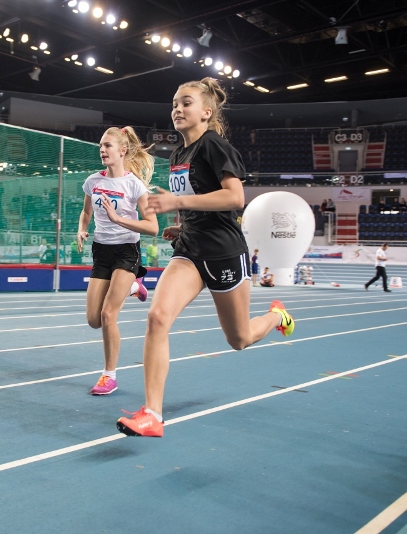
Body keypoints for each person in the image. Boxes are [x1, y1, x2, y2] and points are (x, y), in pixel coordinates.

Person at [116, 77, 295, 437]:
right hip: (190, 251)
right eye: (174, 103)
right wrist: (181, 227)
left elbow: (234, 198)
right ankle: (152, 414)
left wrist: (177, 202)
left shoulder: (215, 146)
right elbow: (200, 204)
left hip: (225, 253)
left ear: (206, 112)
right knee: (157, 317)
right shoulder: (178, 155)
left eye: (186, 103)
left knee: (239, 339)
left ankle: (276, 315)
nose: (177, 109)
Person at [77, 125, 158, 396]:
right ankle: (135, 287)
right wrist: (81, 229)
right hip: (101, 250)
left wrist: (119, 219)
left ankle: (109, 375)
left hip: (126, 250)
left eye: (108, 145)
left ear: (122, 151)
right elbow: (86, 212)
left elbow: (152, 227)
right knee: (93, 320)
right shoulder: (92, 182)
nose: (102, 149)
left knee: (108, 315)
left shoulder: (134, 185)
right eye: (100, 145)